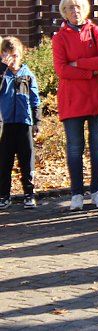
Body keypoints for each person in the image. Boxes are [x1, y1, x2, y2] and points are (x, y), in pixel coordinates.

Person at [52, 0, 98, 211]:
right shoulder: (59, 38)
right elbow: (61, 69)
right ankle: (76, 193)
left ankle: (97, 190)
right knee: (75, 148)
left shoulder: (96, 32)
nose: (74, 11)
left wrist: (77, 64)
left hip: (97, 98)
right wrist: (89, 71)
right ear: (64, 12)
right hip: (72, 100)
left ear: (85, 9)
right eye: (70, 8)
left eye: (78, 7)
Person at [0, 37, 41, 209]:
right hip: (7, 124)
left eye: (15, 56)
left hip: (24, 123)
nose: (12, 60)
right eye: (7, 56)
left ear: (21, 56)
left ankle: (29, 193)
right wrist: (3, 68)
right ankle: (4, 194)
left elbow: (35, 100)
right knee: (4, 161)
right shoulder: (3, 75)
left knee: (26, 160)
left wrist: (37, 123)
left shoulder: (27, 75)